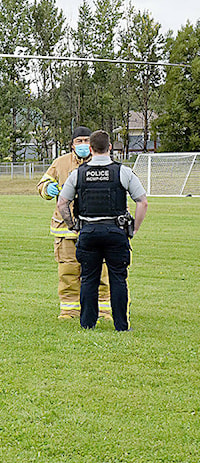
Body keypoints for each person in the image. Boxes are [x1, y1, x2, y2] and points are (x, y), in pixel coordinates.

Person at [57, 130, 147, 331]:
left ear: (90, 149)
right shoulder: (122, 172)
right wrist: (134, 228)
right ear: (110, 148)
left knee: (88, 278)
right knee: (118, 278)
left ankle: (87, 324)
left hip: (88, 232)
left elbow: (62, 203)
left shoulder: (77, 173)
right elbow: (142, 202)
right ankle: (121, 325)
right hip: (115, 232)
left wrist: (72, 225)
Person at [38, 126, 111, 320]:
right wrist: (48, 189)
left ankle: (103, 310)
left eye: (87, 140)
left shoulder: (102, 163)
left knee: (101, 271)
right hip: (65, 228)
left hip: (95, 226)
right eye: (79, 141)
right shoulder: (60, 163)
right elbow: (42, 185)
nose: (83, 145)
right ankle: (70, 310)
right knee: (68, 271)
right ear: (72, 144)